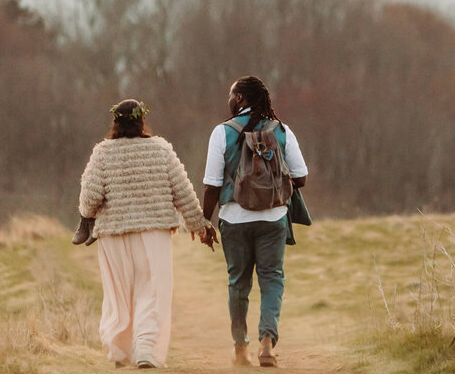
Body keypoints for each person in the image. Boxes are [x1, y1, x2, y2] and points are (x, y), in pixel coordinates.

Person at [77, 98, 217, 369]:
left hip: (114, 236)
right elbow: (183, 192)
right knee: (150, 292)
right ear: (142, 120)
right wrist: (199, 226)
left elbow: (90, 199)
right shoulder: (161, 149)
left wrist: (87, 213)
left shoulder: (103, 153)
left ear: (115, 122)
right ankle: (145, 350)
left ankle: (119, 351)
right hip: (153, 234)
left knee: (119, 294)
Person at [202, 76, 309, 368]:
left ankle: (240, 347)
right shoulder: (282, 130)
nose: (229, 99)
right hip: (273, 217)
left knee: (238, 283)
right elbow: (301, 177)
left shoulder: (222, 132)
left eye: (231, 94)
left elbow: (211, 184)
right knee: (272, 278)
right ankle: (267, 345)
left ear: (240, 99)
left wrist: (204, 222)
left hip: (233, 219)